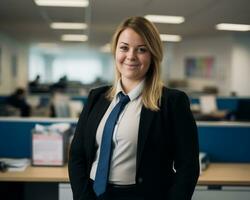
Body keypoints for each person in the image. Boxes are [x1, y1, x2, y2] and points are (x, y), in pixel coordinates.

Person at [68, 16, 199, 200]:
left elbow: (188, 167)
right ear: (115, 51)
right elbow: (77, 154)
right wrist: (83, 196)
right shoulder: (96, 97)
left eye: (141, 49)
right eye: (124, 48)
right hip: (93, 194)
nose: (131, 56)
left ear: (153, 54)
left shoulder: (172, 102)